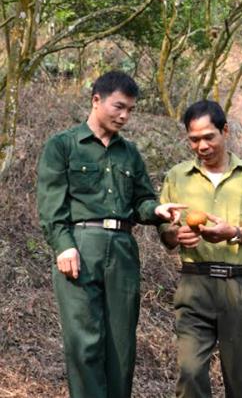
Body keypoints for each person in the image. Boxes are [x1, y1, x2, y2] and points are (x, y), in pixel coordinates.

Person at [37, 70, 184, 398]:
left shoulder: (129, 153)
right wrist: (63, 246)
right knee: (84, 343)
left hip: (122, 250)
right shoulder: (63, 145)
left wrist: (157, 211)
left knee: (121, 345)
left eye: (130, 110)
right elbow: (51, 204)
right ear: (96, 100)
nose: (125, 116)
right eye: (119, 107)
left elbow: (142, 200)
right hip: (80, 246)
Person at [159, 100, 242, 398]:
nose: (202, 146)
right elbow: (164, 227)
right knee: (190, 373)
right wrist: (177, 235)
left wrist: (234, 232)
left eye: (209, 137)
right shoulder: (177, 176)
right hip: (194, 285)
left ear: (225, 131)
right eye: (194, 139)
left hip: (238, 286)